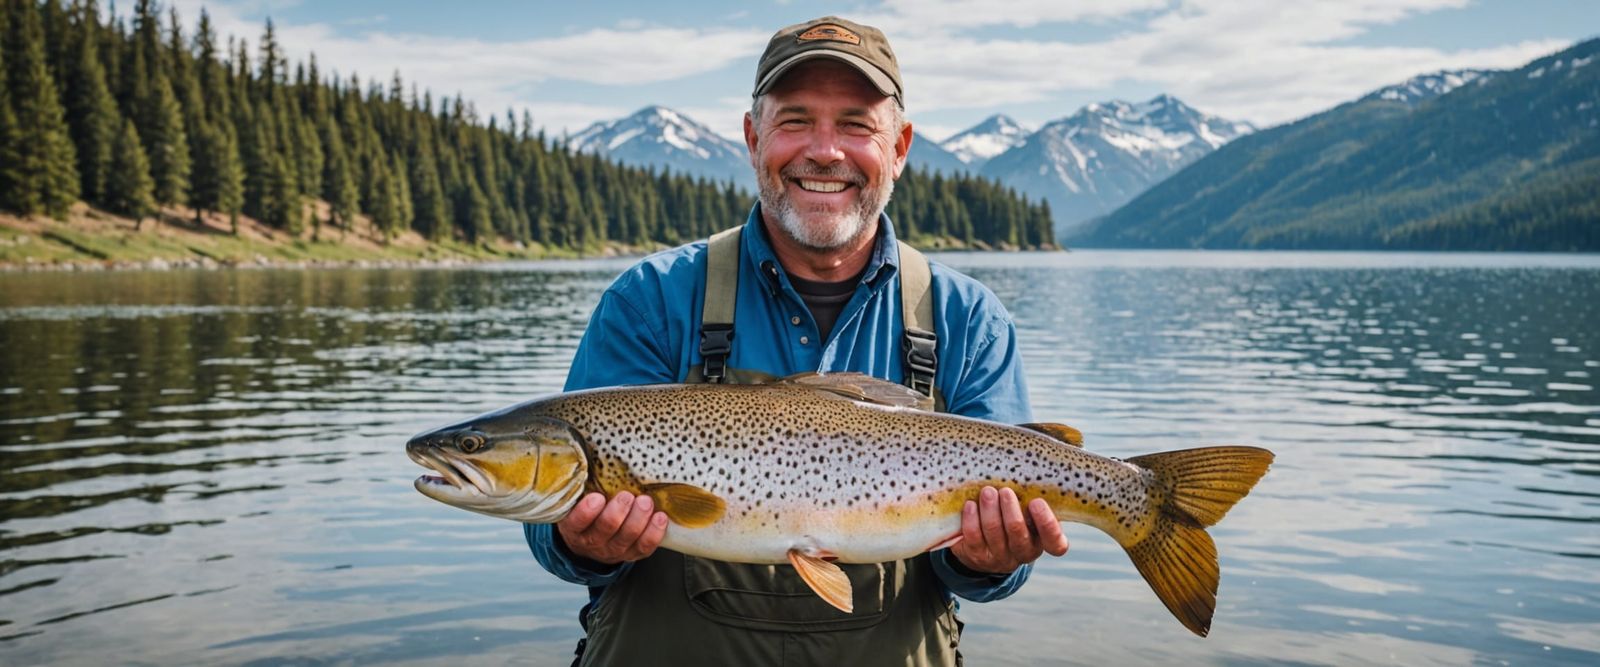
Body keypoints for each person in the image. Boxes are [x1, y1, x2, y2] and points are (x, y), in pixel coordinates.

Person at [524, 16, 1069, 666]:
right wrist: (584, 543)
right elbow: (549, 532)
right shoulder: (651, 299)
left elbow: (991, 576)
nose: (825, 151)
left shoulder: (968, 319)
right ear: (754, 139)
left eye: (856, 125)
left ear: (899, 147)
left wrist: (987, 559)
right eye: (795, 120)